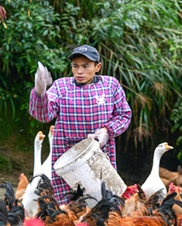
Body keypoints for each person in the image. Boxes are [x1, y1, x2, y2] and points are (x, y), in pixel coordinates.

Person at [29, 45, 132, 204]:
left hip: (100, 158)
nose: (79, 71)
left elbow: (124, 114)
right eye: (75, 66)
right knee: (69, 213)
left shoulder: (111, 85)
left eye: (85, 66)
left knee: (105, 208)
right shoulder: (61, 87)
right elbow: (44, 115)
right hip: (67, 162)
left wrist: (106, 130)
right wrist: (40, 93)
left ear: (97, 67)